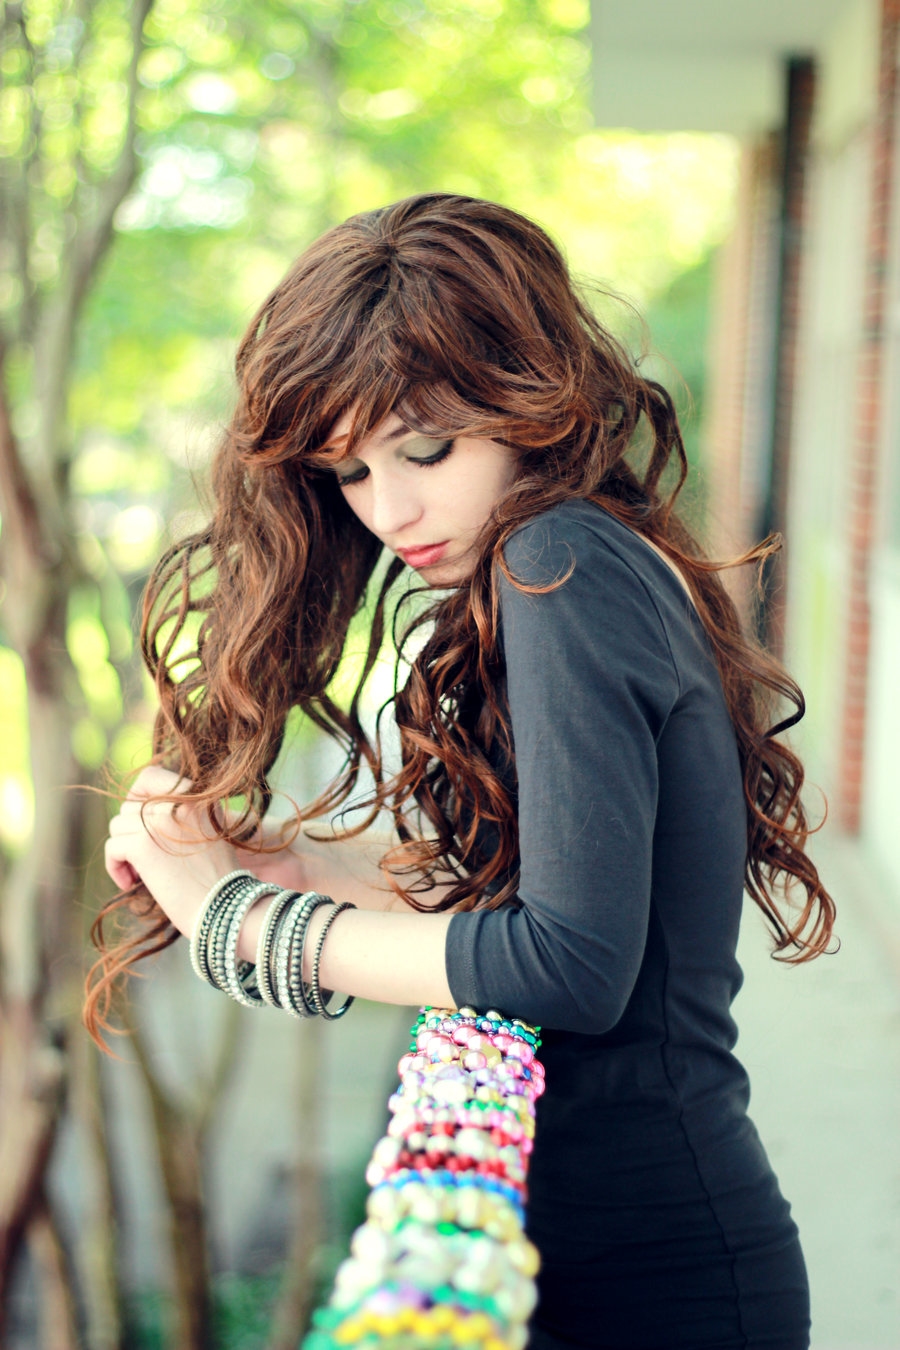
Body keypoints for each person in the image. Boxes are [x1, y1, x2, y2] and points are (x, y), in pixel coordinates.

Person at [86, 192, 835, 1350]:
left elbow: (572, 966)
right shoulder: (572, 557)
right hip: (612, 1248)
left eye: (424, 449)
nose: (389, 510)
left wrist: (232, 916)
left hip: (647, 1280)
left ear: (525, 395)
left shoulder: (557, 561)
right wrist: (309, 870)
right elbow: (571, 895)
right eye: (348, 471)